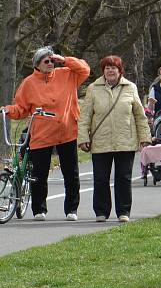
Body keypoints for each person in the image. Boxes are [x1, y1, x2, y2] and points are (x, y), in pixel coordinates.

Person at [1, 47, 90, 221]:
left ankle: (72, 209)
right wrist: (7, 110)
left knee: (70, 173)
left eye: (52, 61)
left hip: (67, 131)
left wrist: (63, 59)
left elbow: (85, 69)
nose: (50, 64)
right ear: (37, 65)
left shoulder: (67, 74)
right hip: (41, 134)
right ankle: (39, 209)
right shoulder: (29, 83)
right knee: (38, 175)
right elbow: (21, 108)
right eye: (46, 61)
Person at [78, 55, 151, 222]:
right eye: (107, 68)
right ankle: (101, 212)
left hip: (125, 140)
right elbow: (85, 116)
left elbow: (140, 115)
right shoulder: (93, 89)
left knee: (123, 177)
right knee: (101, 178)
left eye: (113, 68)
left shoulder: (130, 88)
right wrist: (83, 138)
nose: (110, 71)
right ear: (103, 71)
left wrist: (144, 137)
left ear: (120, 71)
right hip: (101, 141)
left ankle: (123, 211)